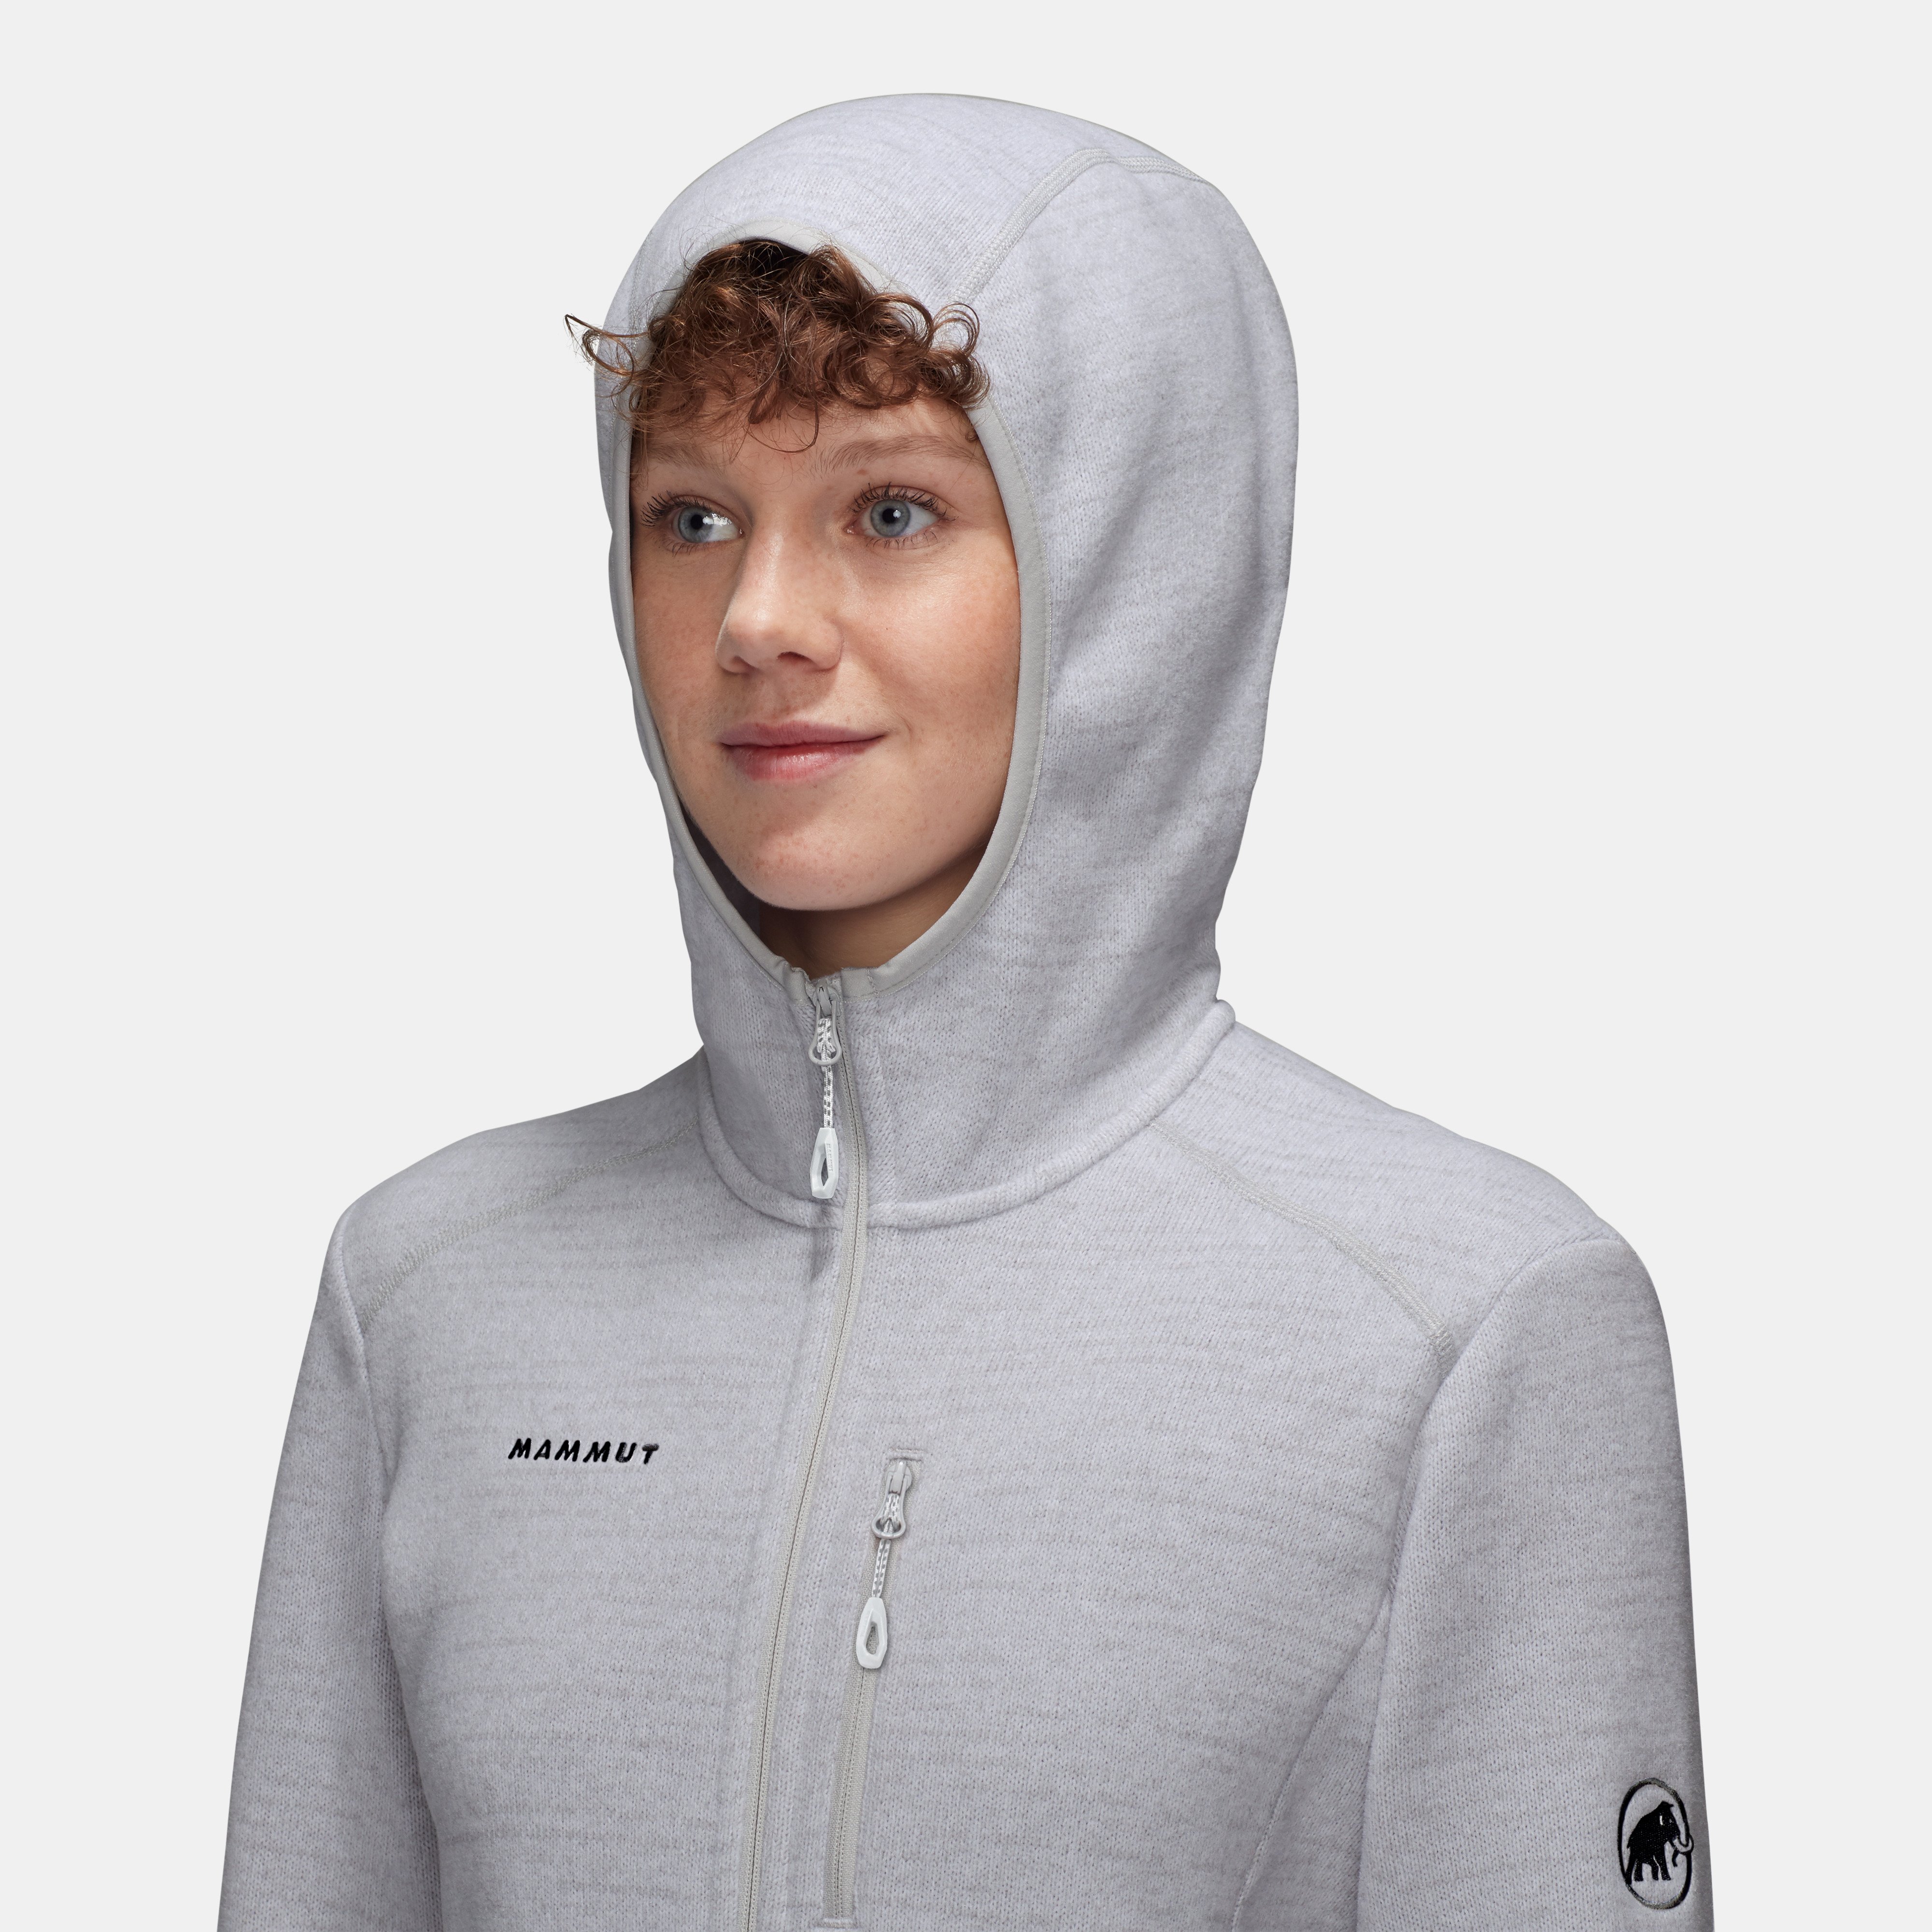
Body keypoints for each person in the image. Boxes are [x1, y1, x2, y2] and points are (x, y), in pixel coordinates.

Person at [219, 96, 1709, 1932]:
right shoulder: (430, 1295)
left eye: (892, 510)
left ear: (1131, 574)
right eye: (694, 516)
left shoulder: (1462, 1325)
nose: (758, 617)